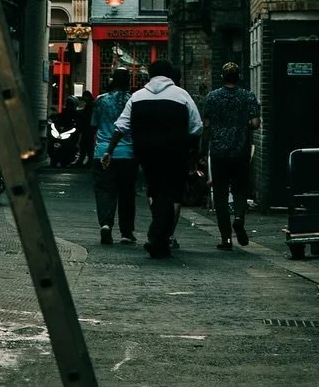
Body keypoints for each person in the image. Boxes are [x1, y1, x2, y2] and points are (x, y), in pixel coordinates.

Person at [104, 58, 201, 259]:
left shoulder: (138, 96)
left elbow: (121, 126)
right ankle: (158, 236)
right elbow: (196, 126)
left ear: (149, 75)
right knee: (171, 193)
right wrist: (191, 151)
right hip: (175, 152)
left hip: (145, 152)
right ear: (170, 75)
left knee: (155, 190)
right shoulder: (182, 95)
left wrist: (109, 150)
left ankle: (160, 239)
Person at [200, 61, 261, 250]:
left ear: (222, 77)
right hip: (240, 149)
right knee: (240, 188)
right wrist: (242, 125)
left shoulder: (212, 97)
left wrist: (202, 152)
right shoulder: (248, 96)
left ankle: (226, 238)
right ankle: (239, 217)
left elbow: (207, 125)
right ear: (239, 77)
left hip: (218, 151)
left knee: (220, 193)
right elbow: (255, 123)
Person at [91, 72, 137, 244]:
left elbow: (94, 125)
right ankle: (126, 232)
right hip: (127, 153)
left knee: (104, 190)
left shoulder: (101, 100)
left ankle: (105, 224)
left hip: (103, 151)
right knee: (127, 193)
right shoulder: (132, 100)